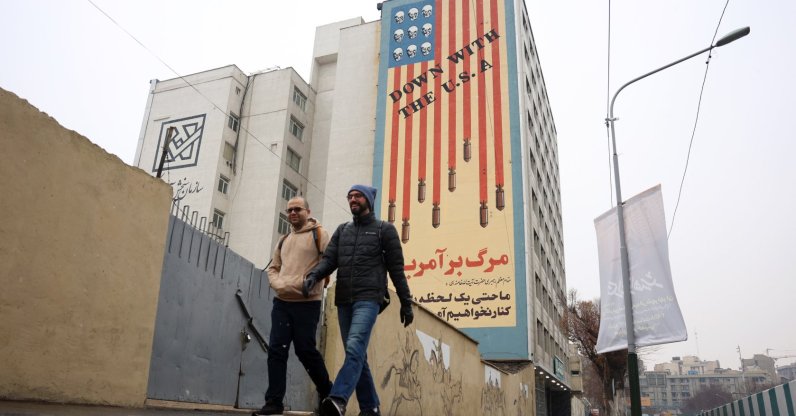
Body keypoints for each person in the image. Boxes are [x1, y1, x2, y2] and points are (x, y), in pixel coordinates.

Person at [303, 184, 414, 416]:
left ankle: (338, 398)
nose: (353, 199)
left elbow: (396, 270)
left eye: (358, 196)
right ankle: (370, 408)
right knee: (357, 355)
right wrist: (314, 275)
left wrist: (406, 303)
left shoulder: (385, 230)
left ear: (369, 201)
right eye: (350, 196)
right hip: (344, 299)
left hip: (369, 298)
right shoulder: (343, 230)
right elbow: (329, 260)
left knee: (354, 347)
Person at [254, 196, 334, 416]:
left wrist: (310, 282)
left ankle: (329, 393)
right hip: (282, 303)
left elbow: (330, 261)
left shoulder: (320, 235)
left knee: (306, 351)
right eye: (289, 210)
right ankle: (274, 402)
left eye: (297, 209)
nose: (292, 214)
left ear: (308, 211)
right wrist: (279, 285)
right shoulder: (283, 240)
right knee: (276, 351)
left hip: (308, 303)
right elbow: (273, 268)